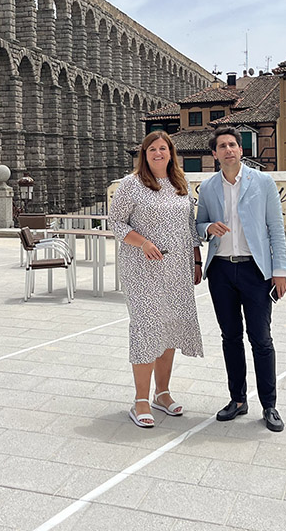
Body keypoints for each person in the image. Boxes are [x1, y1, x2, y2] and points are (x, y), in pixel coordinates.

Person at [196, 126, 286, 432]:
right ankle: (237, 400)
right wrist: (209, 227)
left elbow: (275, 228)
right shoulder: (208, 187)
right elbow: (198, 226)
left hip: (255, 270)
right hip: (221, 271)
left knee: (261, 339)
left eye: (232, 145)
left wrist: (280, 271)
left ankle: (269, 405)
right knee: (230, 338)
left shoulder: (262, 182)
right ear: (214, 154)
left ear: (240, 150)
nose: (228, 150)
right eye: (221, 146)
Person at [109, 130, 203, 428]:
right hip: (142, 270)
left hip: (177, 269)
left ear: (171, 152)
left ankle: (162, 393)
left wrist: (196, 260)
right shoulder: (131, 184)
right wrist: (143, 243)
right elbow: (115, 222)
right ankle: (140, 400)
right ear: (145, 154)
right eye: (152, 150)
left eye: (163, 148)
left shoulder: (181, 184)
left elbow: (190, 226)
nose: (158, 153)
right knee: (147, 327)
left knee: (170, 328)